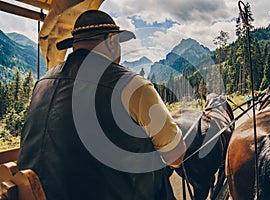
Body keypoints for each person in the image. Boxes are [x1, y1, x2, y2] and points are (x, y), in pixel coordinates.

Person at [17, 10, 186, 200]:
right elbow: (176, 156)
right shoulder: (132, 85)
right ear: (112, 40)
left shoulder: (42, 83)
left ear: (75, 45)